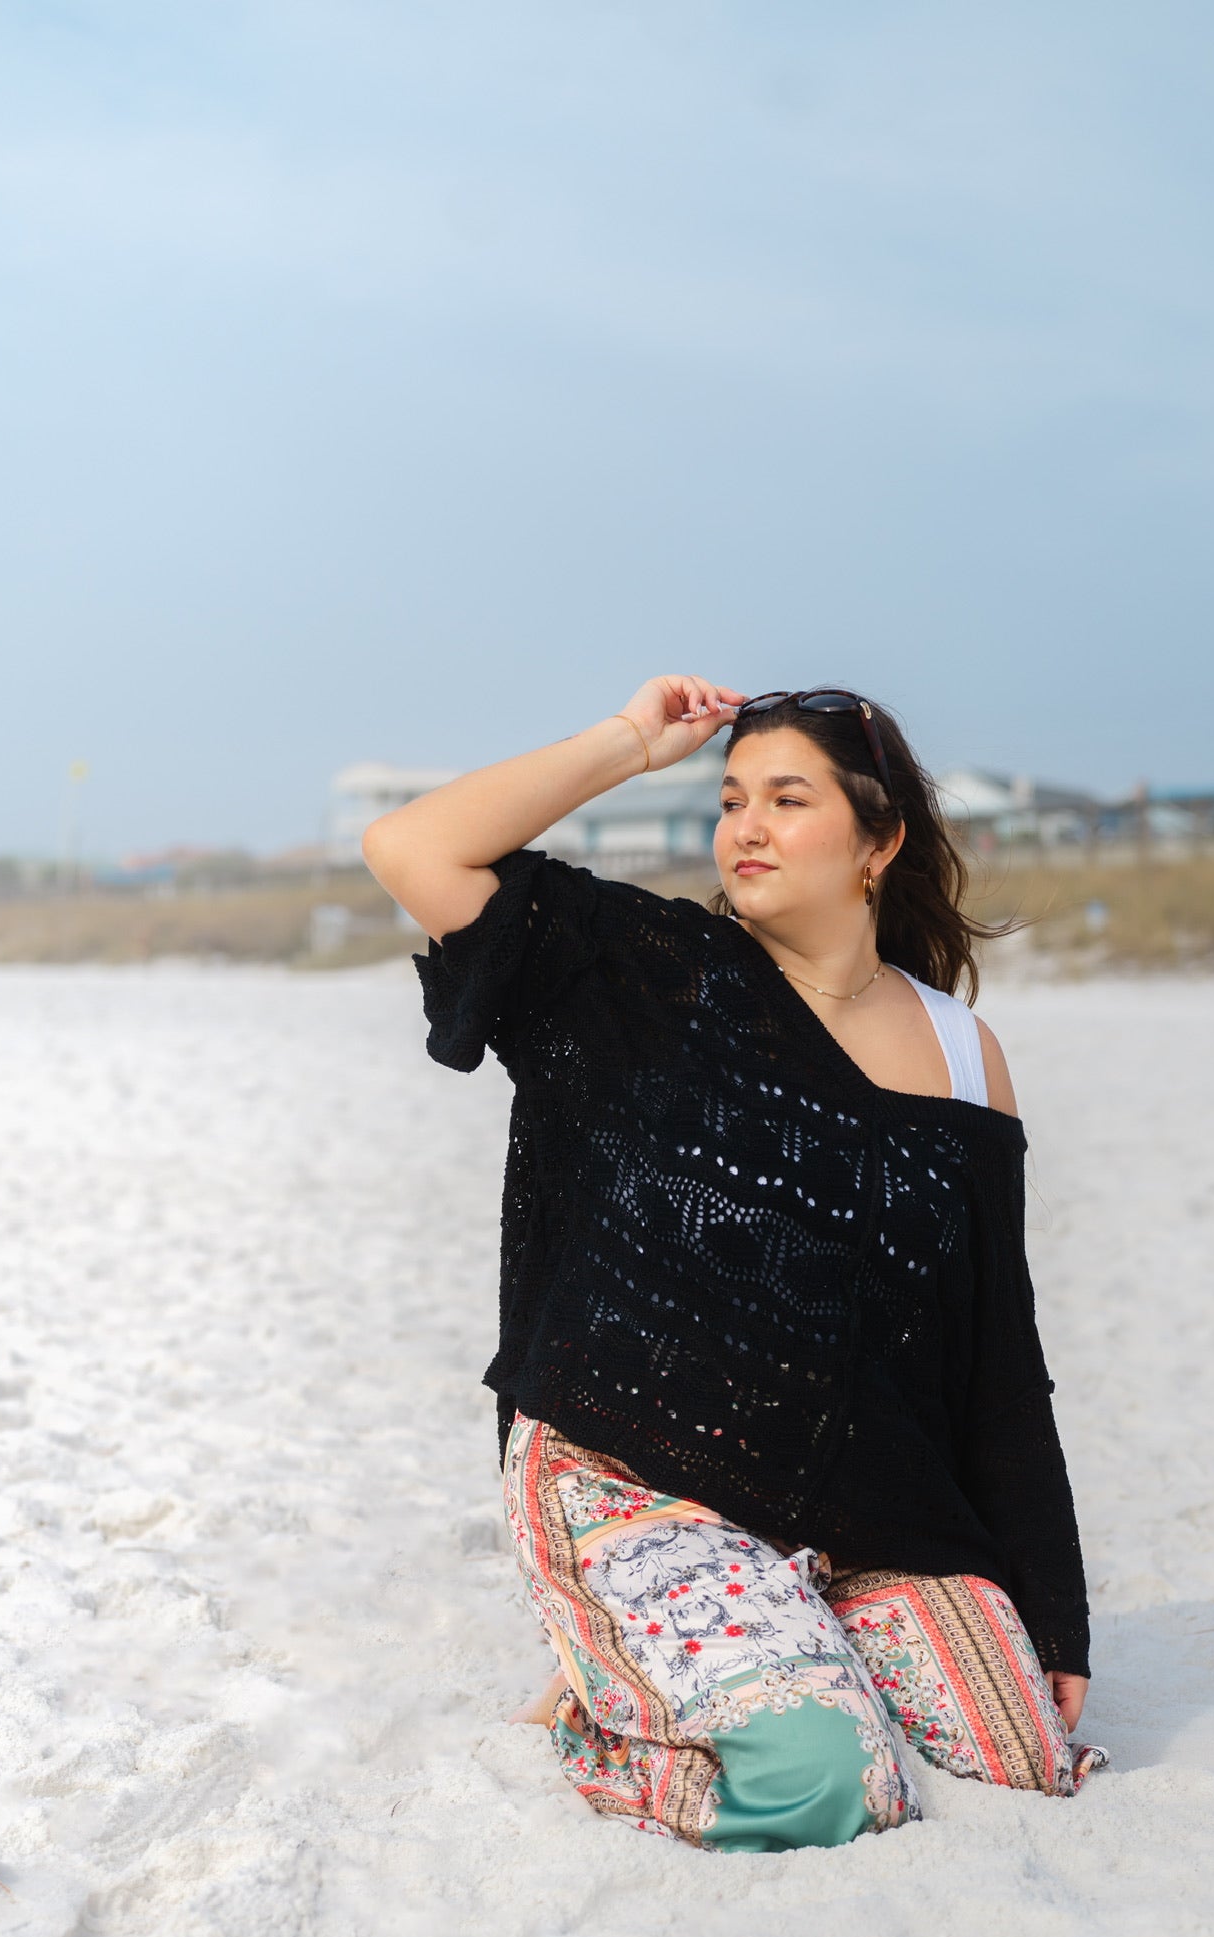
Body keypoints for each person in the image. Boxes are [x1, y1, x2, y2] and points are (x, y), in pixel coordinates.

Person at [363, 674, 1106, 1852]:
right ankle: (604, 1695)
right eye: (729, 800)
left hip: (870, 1504)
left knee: (1021, 1758)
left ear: (878, 841)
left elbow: (996, 1354)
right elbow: (412, 847)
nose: (744, 827)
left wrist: (1052, 1610)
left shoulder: (964, 1054)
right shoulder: (645, 970)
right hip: (632, 1467)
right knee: (830, 1782)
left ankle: (759, 1634)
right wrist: (627, 742)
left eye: (786, 799)